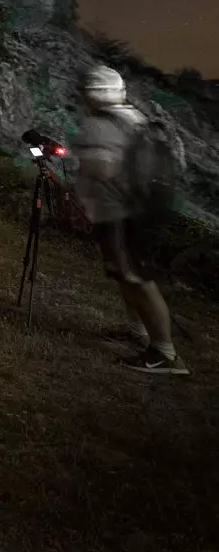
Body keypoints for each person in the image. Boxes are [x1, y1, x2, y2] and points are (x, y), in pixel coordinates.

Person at [69, 64, 187, 375]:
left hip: (121, 213)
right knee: (125, 274)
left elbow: (103, 169)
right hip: (139, 210)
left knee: (136, 278)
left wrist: (77, 168)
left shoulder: (100, 124)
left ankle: (165, 353)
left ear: (91, 94)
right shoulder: (133, 117)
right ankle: (138, 330)